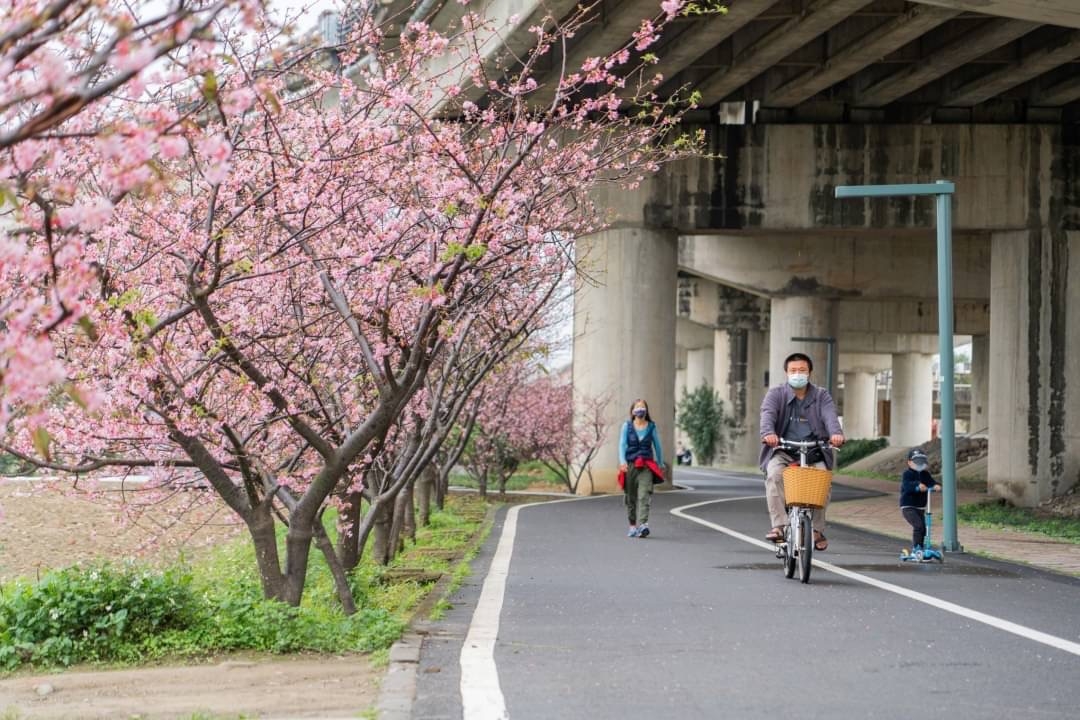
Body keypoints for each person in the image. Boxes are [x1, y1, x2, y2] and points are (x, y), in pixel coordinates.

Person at [759, 352, 845, 550]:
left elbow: (830, 416)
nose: (798, 374)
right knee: (774, 476)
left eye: (802, 370)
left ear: (810, 372)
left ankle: (816, 530)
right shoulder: (776, 394)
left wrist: (836, 434)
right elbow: (767, 414)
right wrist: (768, 433)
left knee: (823, 481)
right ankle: (779, 526)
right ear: (786, 373)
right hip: (782, 449)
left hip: (814, 450)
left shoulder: (821, 395)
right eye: (793, 370)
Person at [618, 398, 665, 538]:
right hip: (631, 465)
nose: (640, 409)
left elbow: (658, 446)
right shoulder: (627, 426)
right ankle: (633, 526)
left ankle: (643, 524)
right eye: (637, 407)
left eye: (642, 407)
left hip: (646, 466)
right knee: (630, 497)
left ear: (646, 410)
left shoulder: (651, 427)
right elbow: (622, 445)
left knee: (644, 495)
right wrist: (622, 461)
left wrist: (661, 463)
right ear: (632, 411)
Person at [900, 448, 938, 554]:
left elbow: (931, 482)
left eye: (921, 461)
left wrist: (936, 485)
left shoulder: (925, 474)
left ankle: (921, 548)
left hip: (921, 507)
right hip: (908, 506)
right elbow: (907, 486)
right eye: (916, 461)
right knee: (918, 526)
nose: (919, 464)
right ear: (909, 462)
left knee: (924, 528)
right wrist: (917, 486)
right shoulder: (907, 474)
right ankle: (916, 548)